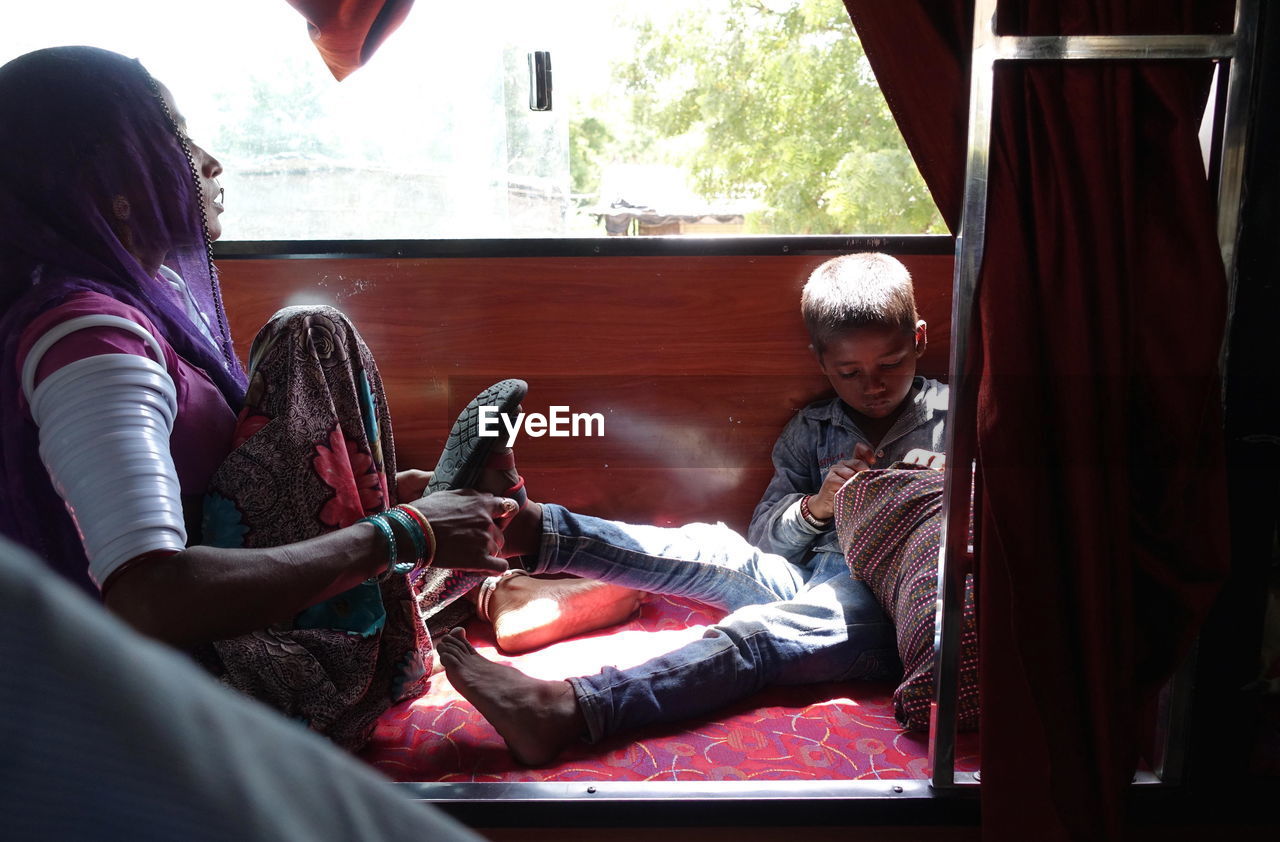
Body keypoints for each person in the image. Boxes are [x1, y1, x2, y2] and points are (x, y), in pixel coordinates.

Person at [0, 45, 530, 751]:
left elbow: (229, 500)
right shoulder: (91, 343)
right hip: (181, 697)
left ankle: (485, 577)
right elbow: (147, 596)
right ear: (113, 188)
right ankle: (435, 619)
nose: (210, 161)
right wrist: (404, 532)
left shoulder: (136, 307)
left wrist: (370, 495)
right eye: (176, 139)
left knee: (466, 541)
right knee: (310, 334)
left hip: (214, 649)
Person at [441, 252, 950, 765]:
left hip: (887, 605)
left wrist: (925, 488)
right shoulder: (813, 429)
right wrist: (817, 508)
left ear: (919, 340)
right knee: (707, 546)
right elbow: (766, 541)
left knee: (761, 634)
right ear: (821, 362)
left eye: (890, 365)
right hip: (807, 574)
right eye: (850, 372)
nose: (874, 385)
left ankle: (569, 708)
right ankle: (526, 526)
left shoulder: (956, 421)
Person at [0, 532, 483, 842]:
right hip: (258, 663)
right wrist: (398, 529)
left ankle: (508, 576)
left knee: (441, 562)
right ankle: (523, 571)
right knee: (321, 364)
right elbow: (153, 598)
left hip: (264, 618)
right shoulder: (97, 372)